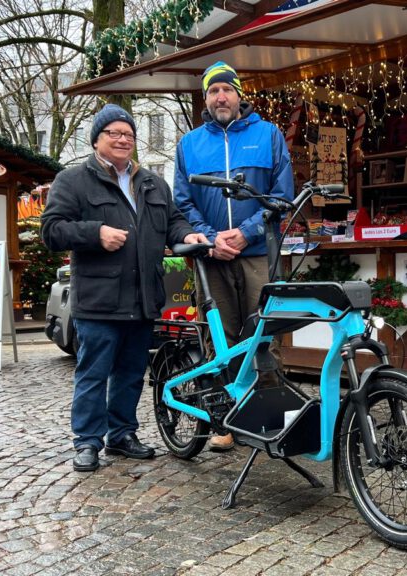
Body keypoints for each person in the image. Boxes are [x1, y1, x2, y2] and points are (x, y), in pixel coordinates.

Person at [42, 103, 208, 472]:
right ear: (97, 140)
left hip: (144, 297)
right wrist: (94, 234)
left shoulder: (152, 182)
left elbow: (174, 222)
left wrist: (188, 234)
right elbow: (51, 230)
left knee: (132, 373)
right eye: (113, 133)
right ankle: (86, 441)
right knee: (93, 373)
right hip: (99, 300)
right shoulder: (73, 180)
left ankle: (122, 434)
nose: (122, 139)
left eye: (128, 134)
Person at [174, 61, 294, 451]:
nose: (220, 96)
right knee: (220, 339)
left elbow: (281, 196)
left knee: (265, 335)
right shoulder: (189, 144)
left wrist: (246, 233)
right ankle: (226, 421)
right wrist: (211, 239)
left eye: (227, 89)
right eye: (213, 91)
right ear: (206, 99)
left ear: (240, 94)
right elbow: (182, 203)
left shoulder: (268, 134)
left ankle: (270, 419)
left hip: (258, 253)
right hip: (211, 258)